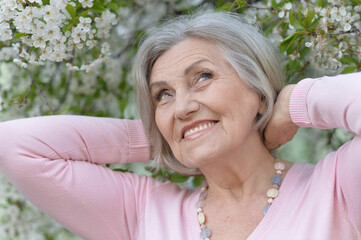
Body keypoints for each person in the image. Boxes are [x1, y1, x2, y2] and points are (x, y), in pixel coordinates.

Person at [0, 12, 360, 240]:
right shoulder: (142, 213)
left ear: (258, 92)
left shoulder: (337, 188)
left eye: (203, 77)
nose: (183, 106)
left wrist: (294, 103)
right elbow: (15, 145)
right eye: (163, 96)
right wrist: (166, 136)